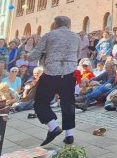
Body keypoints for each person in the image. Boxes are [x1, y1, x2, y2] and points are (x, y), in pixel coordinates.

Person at [28, 15, 82, 146]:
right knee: (68, 103)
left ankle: (53, 127)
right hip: (69, 73)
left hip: (51, 73)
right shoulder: (77, 37)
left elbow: (33, 56)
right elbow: (78, 55)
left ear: (55, 24)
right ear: (69, 25)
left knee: (40, 102)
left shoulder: (49, 35)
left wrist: (34, 54)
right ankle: (69, 135)